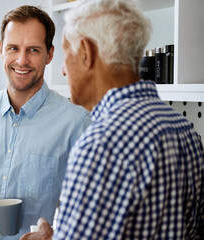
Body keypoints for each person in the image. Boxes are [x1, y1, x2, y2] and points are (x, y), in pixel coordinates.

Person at [21, 0, 204, 239]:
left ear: (86, 53)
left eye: (66, 53)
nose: (63, 70)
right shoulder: (184, 130)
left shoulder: (99, 145)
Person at [0, 5, 92, 239]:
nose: (22, 60)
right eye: (13, 48)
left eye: (33, 50)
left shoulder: (76, 123)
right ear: (1, 49)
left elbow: (93, 210)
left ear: (49, 54)